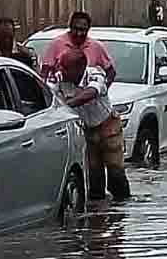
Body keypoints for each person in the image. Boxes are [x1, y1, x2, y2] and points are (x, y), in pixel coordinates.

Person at [50, 47, 130, 201]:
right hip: (86, 131)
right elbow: (49, 92)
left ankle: (121, 213)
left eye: (66, 68)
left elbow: (92, 92)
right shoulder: (60, 79)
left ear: (80, 68)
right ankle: (98, 217)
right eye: (61, 66)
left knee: (115, 174)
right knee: (94, 177)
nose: (62, 70)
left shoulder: (95, 74)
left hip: (108, 127)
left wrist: (66, 105)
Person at [39, 12, 116, 84]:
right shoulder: (56, 44)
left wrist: (102, 88)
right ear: (70, 27)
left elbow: (111, 72)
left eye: (82, 30)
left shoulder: (96, 47)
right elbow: (45, 72)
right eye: (76, 29)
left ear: (88, 29)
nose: (79, 33)